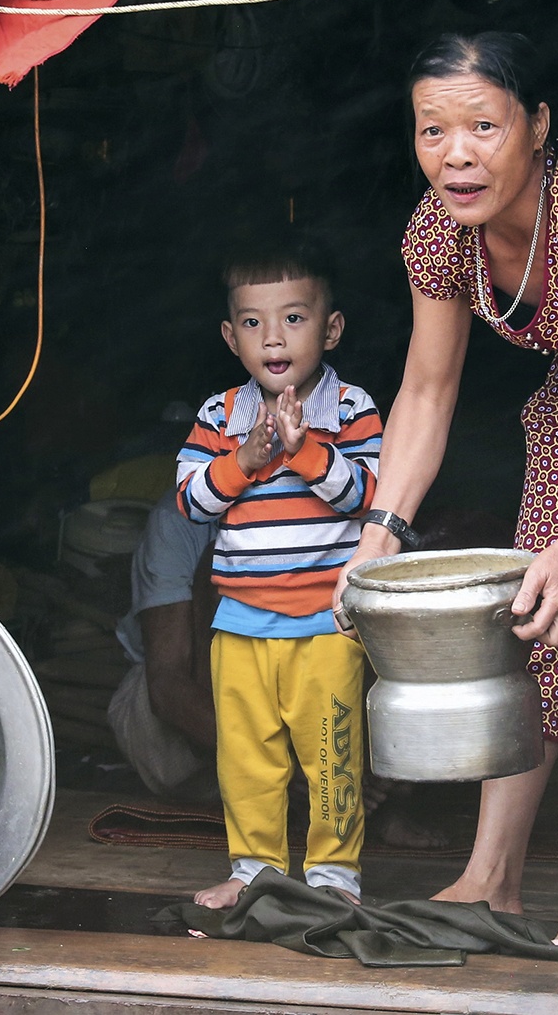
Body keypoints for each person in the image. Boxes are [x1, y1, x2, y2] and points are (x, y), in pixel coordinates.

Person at [341, 32, 558, 945]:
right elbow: (427, 387)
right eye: (432, 131)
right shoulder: (439, 231)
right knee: (527, 608)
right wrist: (379, 533)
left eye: (483, 127)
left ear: (536, 125)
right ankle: (491, 873)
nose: (456, 155)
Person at [177, 247, 384, 909]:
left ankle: (333, 878)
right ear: (230, 337)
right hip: (238, 622)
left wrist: (307, 450)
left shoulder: (351, 408)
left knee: (332, 755)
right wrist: (244, 460)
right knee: (246, 759)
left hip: (327, 624)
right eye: (253, 322)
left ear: (330, 330)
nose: (273, 337)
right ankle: (254, 870)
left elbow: (370, 495)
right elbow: (190, 502)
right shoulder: (218, 416)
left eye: (293, 318)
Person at [106, 487, 218, 801]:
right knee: (216, 565)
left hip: (285, 697)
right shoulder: (179, 517)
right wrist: (271, 765)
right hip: (190, 727)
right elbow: (166, 686)